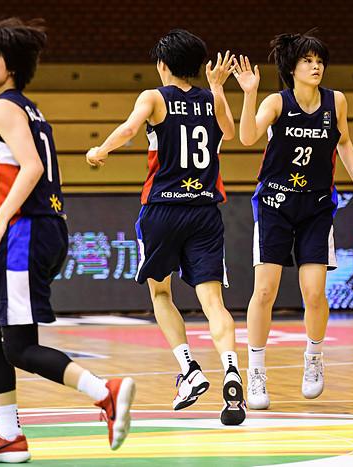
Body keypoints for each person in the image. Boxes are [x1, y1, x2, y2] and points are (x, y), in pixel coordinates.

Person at [0, 19, 134, 464]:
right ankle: (9, 436)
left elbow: (32, 168)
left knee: (18, 347)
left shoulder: (2, 108)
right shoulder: (28, 108)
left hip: (26, 233)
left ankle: (105, 392)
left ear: (13, 65)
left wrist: (2, 216)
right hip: (44, 227)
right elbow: (33, 172)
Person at [85, 29, 245, 425]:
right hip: (205, 211)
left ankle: (189, 370)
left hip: (162, 209)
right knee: (214, 302)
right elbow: (230, 133)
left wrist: (100, 150)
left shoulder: (154, 97)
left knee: (160, 293)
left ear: (162, 64)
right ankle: (231, 369)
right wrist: (218, 88)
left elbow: (128, 129)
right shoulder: (210, 98)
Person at [233, 30, 353, 410]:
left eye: (319, 61)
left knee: (314, 293)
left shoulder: (336, 101)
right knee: (265, 291)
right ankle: (256, 371)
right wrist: (249, 94)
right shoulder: (276, 103)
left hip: (316, 206)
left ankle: (314, 358)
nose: (316, 67)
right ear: (292, 68)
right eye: (307, 61)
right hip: (275, 204)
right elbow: (247, 137)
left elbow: (343, 141)